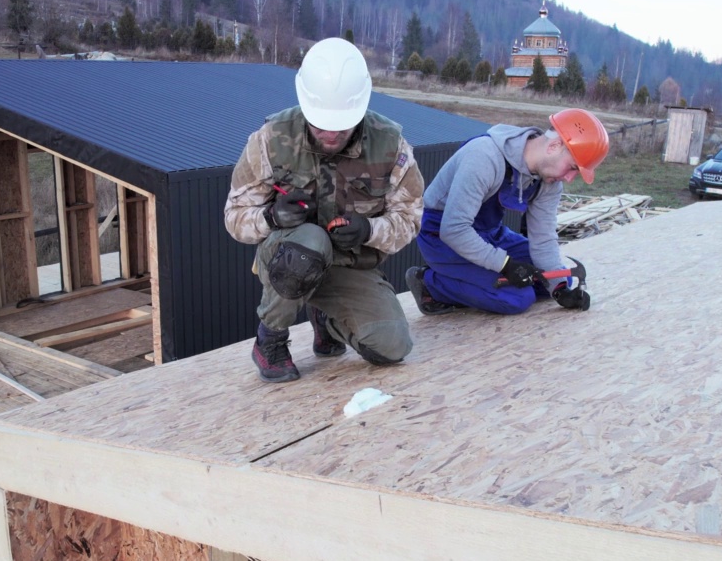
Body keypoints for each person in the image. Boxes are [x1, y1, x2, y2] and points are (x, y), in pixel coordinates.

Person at [224, 37, 425, 383]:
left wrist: (370, 231)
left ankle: (327, 321)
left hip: (349, 267)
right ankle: (270, 340)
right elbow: (234, 217)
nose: (331, 134)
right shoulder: (269, 140)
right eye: (321, 124)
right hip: (289, 258)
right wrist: (270, 218)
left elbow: (410, 217)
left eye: (342, 126)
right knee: (309, 243)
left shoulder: (391, 145)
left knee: (392, 347)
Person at [405, 108, 609, 316]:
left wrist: (559, 289)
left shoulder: (549, 181)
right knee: (517, 298)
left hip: (489, 232)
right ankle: (431, 285)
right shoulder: (484, 157)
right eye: (573, 167)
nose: (569, 178)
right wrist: (504, 264)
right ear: (555, 146)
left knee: (555, 275)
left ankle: (474, 281)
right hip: (441, 235)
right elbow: (454, 229)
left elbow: (543, 239)